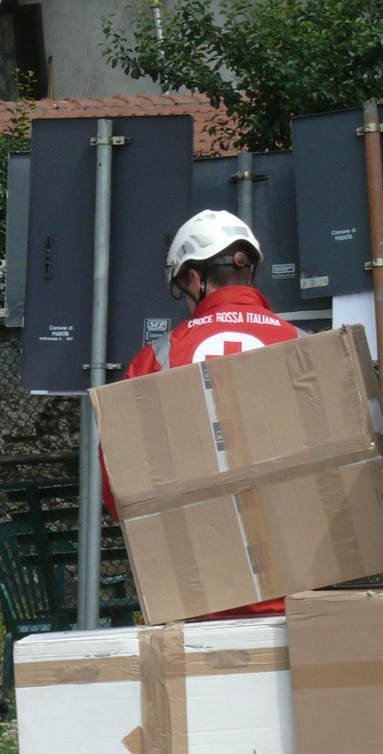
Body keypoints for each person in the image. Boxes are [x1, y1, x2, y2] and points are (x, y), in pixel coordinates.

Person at [103, 208, 300, 618]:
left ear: (193, 277)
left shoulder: (156, 359)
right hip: (301, 585)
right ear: (249, 270)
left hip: (201, 590)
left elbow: (118, 477)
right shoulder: (304, 346)